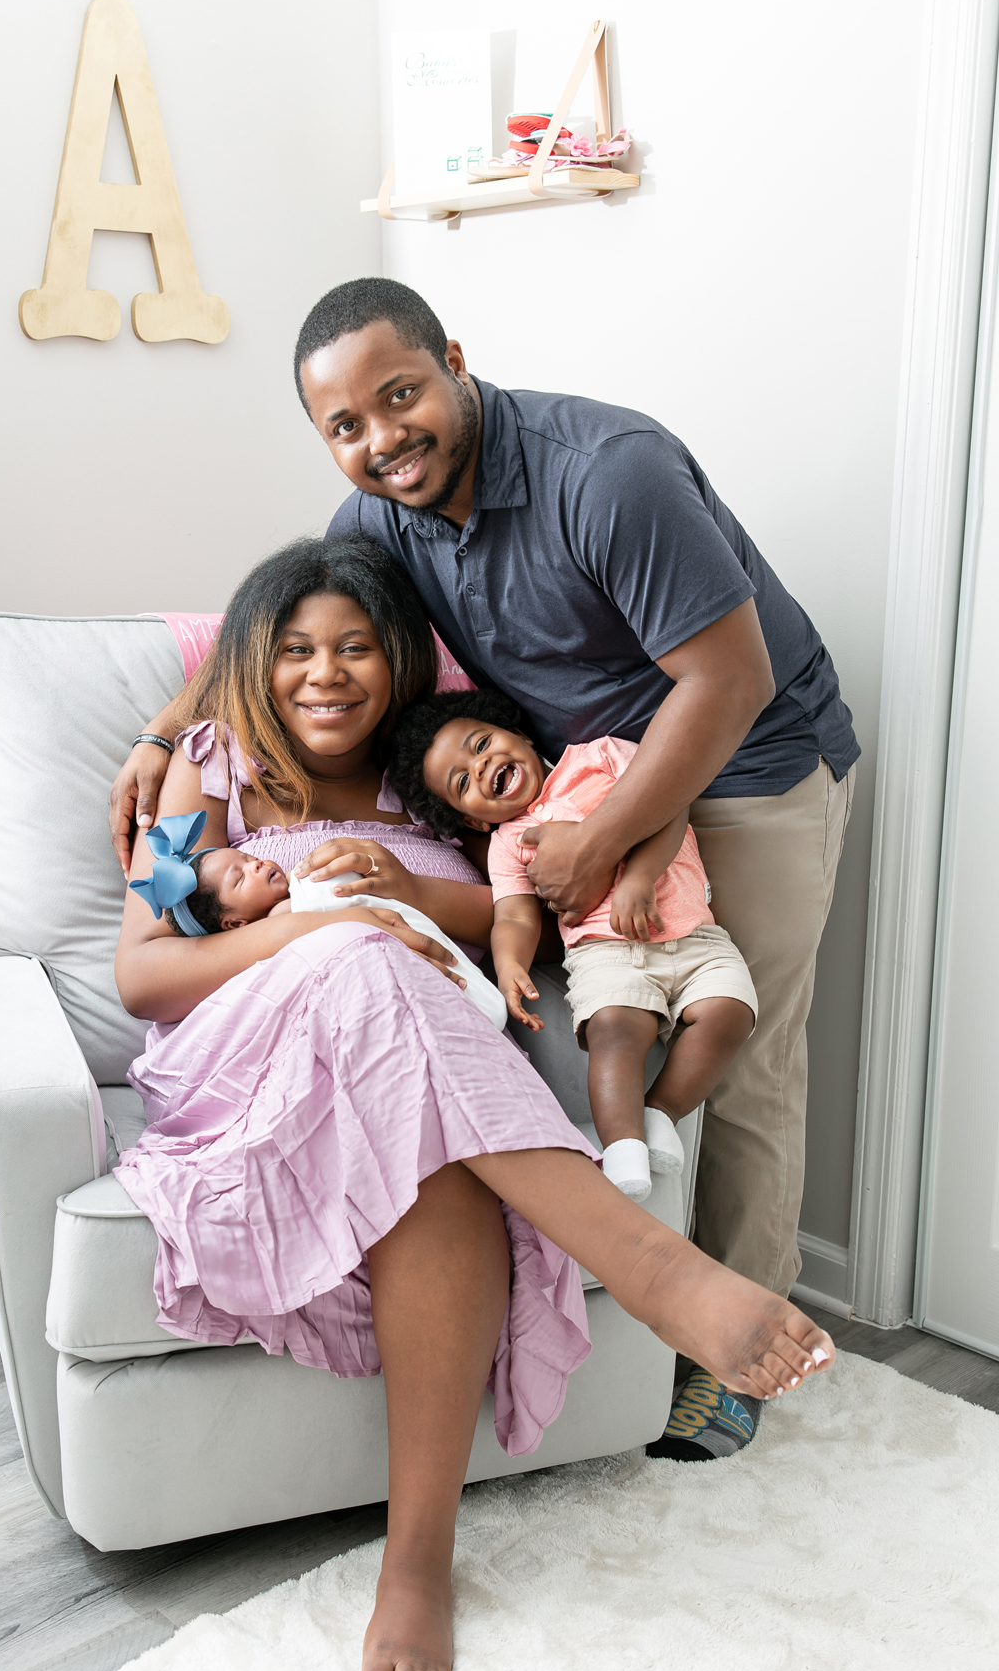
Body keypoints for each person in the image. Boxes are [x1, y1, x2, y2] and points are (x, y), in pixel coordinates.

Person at [109, 279, 857, 1461]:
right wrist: (162, 736)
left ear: (453, 360)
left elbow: (730, 682)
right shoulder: (377, 523)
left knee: (740, 1032)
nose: (379, 439)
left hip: (741, 757)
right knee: (619, 1020)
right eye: (343, 426)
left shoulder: (606, 472)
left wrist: (598, 843)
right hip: (576, 785)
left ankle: (730, 1337)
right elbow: (272, 633)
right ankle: (656, 1271)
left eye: (399, 396)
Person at [113, 533, 836, 1671]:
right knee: (359, 962)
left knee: (436, 1166)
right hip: (247, 1059)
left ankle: (418, 1558)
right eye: (294, 650)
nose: (324, 674)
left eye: (355, 648)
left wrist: (399, 894)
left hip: (420, 1074)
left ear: (401, 663)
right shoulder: (210, 772)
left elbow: (532, 918)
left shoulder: (431, 777)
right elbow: (144, 972)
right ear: (254, 664)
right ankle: (650, 1261)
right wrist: (321, 926)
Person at [386, 689, 757, 1206]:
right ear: (470, 819)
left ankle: (661, 1112)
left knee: (732, 1012)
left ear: (518, 734)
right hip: (603, 951)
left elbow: (671, 803)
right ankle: (622, 1145)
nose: (482, 764)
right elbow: (513, 913)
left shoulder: (601, 755)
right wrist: (510, 963)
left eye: (483, 743)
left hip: (695, 932)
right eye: (463, 781)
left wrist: (639, 878)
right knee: (615, 1029)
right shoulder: (508, 842)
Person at [127, 811, 509, 1030]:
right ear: (234, 924)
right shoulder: (280, 919)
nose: (256, 863)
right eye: (241, 878)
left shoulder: (299, 885)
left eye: (246, 858)